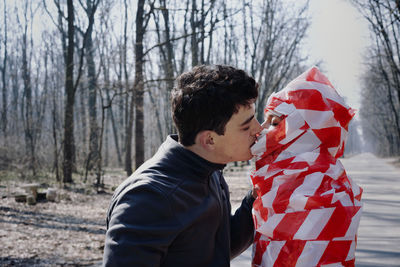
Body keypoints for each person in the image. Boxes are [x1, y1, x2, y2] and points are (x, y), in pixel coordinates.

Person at [102, 65, 264, 266]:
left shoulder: (210, 170)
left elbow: (218, 248)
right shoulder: (148, 198)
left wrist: (256, 195)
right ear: (209, 140)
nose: (259, 129)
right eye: (246, 126)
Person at [250, 67, 363, 267]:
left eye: (275, 123)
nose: (262, 129)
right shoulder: (276, 180)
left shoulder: (327, 193)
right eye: (266, 119)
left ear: (303, 134)